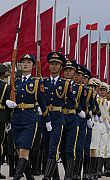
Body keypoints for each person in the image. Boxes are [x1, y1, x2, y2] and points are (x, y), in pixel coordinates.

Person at [6, 54, 49, 180]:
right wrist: (8, 104)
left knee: (24, 148)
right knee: (19, 150)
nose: (25, 64)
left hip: (30, 118)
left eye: (28, 62)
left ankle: (17, 177)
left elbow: (42, 103)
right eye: (23, 62)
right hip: (17, 118)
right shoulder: (16, 82)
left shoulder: (37, 82)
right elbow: (10, 99)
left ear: (33, 66)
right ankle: (29, 177)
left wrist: (47, 120)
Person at [41, 52, 77, 180]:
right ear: (49, 66)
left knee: (54, 147)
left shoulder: (65, 84)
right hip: (45, 117)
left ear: (60, 67)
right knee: (46, 147)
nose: (54, 67)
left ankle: (47, 175)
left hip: (57, 116)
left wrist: (62, 106)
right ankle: (55, 175)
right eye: (52, 64)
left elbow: (73, 102)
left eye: (56, 64)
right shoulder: (43, 82)